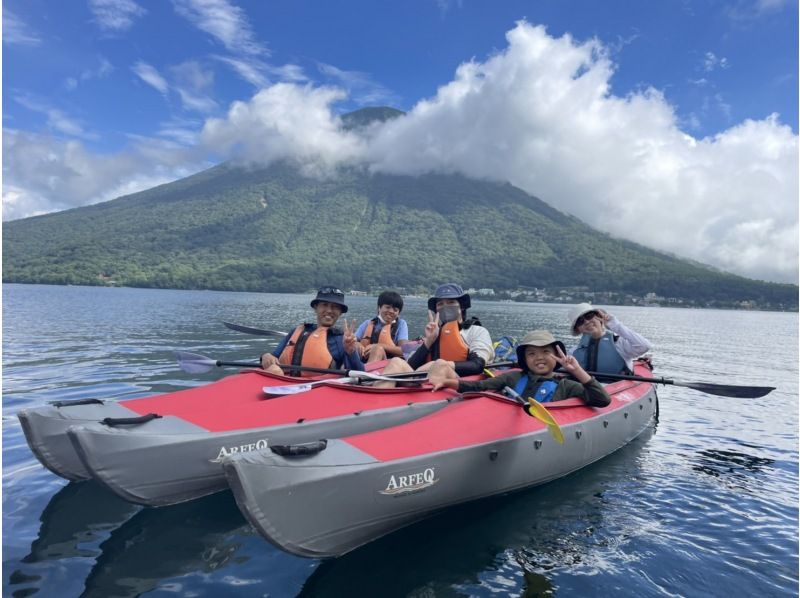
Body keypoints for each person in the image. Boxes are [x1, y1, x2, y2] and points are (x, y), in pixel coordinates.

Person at [428, 330, 611, 407]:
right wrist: (446, 382)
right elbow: (478, 387)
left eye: (546, 352)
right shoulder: (513, 378)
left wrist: (576, 370)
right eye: (531, 353)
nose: (539, 357)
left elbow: (602, 399)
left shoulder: (567, 385)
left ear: (557, 355)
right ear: (524, 359)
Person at [380, 283, 493, 382]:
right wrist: (429, 341)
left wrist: (440, 364)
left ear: (461, 306)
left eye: (451, 302)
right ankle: (376, 402)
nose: (445, 306)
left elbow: (478, 365)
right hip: (427, 381)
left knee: (439, 365)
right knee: (396, 362)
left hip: (458, 381)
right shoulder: (435, 333)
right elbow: (410, 366)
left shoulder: (477, 331)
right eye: (440, 304)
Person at [260, 286, 364, 377]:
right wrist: (266, 356)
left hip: (316, 390)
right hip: (283, 384)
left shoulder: (342, 340)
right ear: (316, 308)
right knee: (274, 369)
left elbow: (359, 374)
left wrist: (351, 351)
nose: (329, 310)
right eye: (324, 305)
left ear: (340, 313)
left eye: (335, 307)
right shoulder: (297, 331)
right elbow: (274, 356)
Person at [567, 303, 652, 376]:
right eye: (580, 321)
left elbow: (645, 346)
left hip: (618, 389)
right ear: (578, 329)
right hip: (588, 389)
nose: (586, 322)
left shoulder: (620, 343)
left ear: (599, 317)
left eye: (589, 316)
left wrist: (613, 324)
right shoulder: (574, 352)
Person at [354, 290, 410, 362]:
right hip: (364, 358)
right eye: (387, 307)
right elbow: (353, 340)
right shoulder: (367, 323)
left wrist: (379, 346)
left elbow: (404, 350)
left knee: (377, 349)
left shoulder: (401, 324)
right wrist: (357, 344)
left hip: (387, 363)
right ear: (379, 308)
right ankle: (344, 370)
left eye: (395, 310)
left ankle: (367, 372)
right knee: (353, 346)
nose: (391, 311)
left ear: (399, 313)